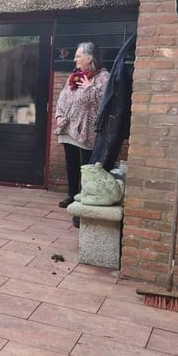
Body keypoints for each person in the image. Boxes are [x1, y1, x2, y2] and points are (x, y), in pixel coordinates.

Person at [54, 42, 110, 227]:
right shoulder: (74, 77)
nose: (75, 59)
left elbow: (103, 102)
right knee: (70, 162)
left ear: (90, 58)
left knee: (85, 166)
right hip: (69, 127)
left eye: (78, 56)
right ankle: (71, 195)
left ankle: (83, 198)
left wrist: (89, 88)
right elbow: (63, 96)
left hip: (86, 129)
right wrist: (59, 115)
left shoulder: (102, 77)